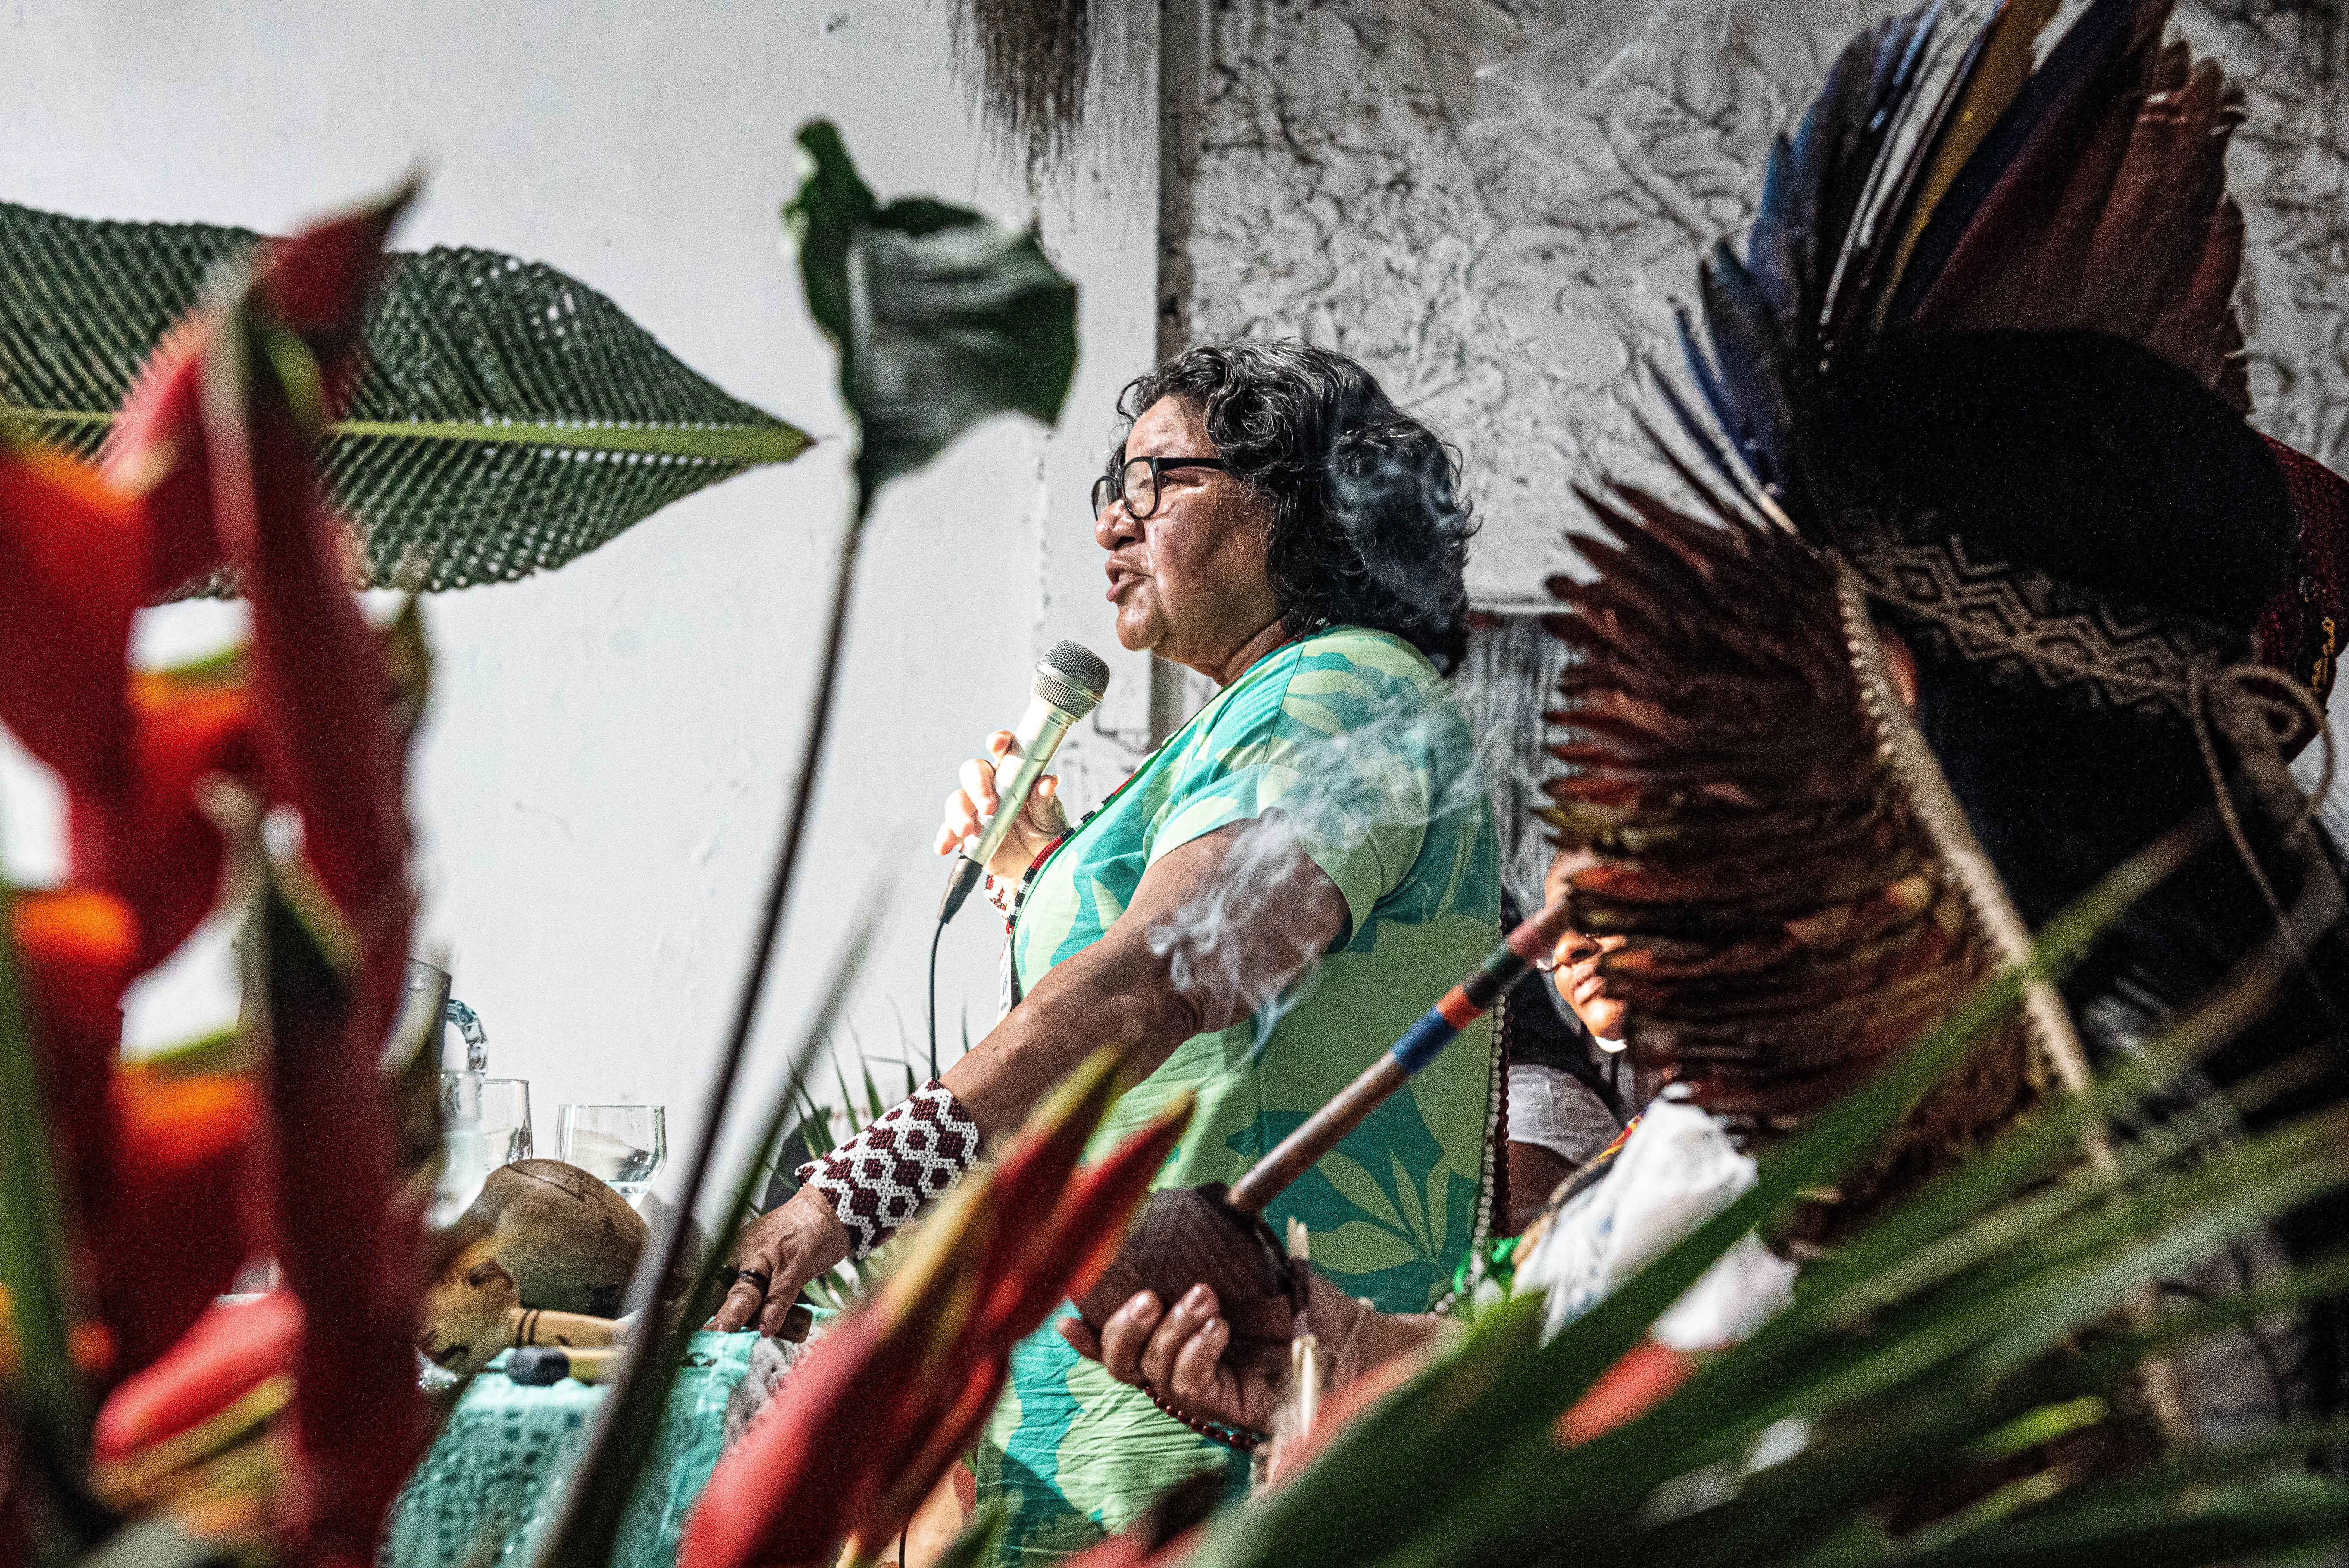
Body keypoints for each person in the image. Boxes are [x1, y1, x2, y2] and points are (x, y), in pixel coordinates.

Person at [1069, 0, 2349, 1461]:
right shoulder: (2212, 1031)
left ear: (1894, 708)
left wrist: (1347, 1476)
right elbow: (1604, 1368)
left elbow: (1664, 1473)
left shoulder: (1904, 1146)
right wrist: (1354, 1365)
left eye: (1780, 673)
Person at [715, 339, 1500, 1561]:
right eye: (1110, 491)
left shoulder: (1347, 693)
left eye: (1161, 482)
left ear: (1307, 507)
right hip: (1105, 1397)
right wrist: (1042, 873)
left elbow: (1158, 978)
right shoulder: (1249, 718)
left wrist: (851, 1191)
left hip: (1215, 1410)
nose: (1113, 528)